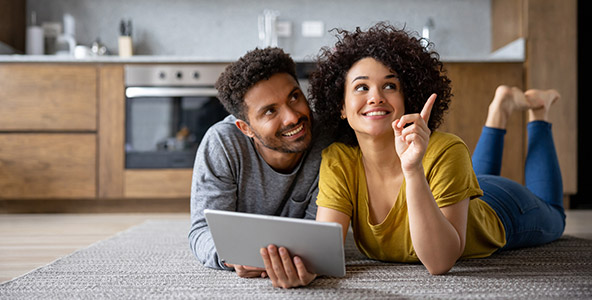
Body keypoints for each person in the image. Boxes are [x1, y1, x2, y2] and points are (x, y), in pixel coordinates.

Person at [260, 22, 565, 288]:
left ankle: (539, 112)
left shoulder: (446, 150)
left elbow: (439, 262)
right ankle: (500, 109)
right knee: (475, 176)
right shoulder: (338, 159)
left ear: (408, 98)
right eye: (361, 87)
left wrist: (413, 169)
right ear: (340, 106)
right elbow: (326, 248)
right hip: (461, 190)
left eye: (389, 85)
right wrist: (302, 270)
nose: (375, 96)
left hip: (503, 211)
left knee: (555, 215)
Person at [188, 47, 332, 281]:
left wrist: (306, 262)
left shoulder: (327, 140)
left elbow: (321, 235)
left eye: (294, 97)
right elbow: (202, 231)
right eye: (270, 111)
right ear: (246, 128)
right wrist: (232, 256)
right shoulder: (222, 144)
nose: (292, 117)